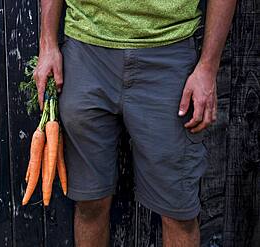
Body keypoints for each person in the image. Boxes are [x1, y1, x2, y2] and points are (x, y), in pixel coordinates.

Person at [33, 0, 237, 246]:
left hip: (169, 53)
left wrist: (207, 67)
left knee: (178, 212)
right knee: (89, 203)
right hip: (86, 51)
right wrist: (48, 45)